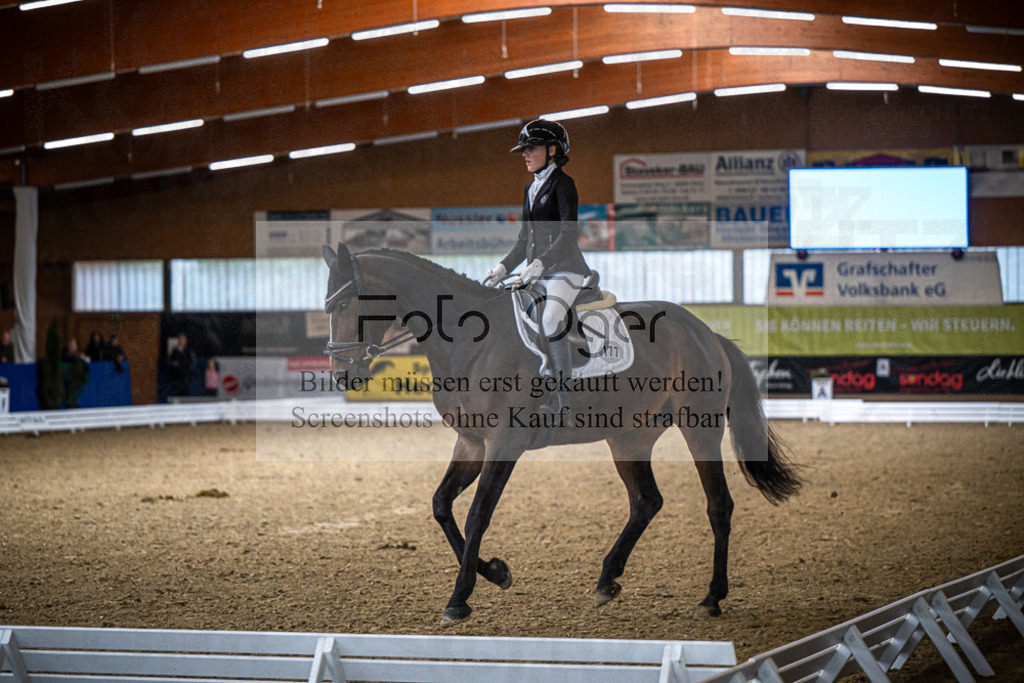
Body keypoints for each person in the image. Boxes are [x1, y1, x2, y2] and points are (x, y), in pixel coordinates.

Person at [483, 119, 592, 413]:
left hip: (565, 270)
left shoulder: (563, 185)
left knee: (551, 319)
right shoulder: (530, 189)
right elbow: (524, 240)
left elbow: (568, 235)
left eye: (531, 148)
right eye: (524, 149)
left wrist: (542, 263)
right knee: (511, 313)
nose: (525, 154)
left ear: (552, 150)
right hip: (537, 273)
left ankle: (563, 400)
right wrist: (503, 267)